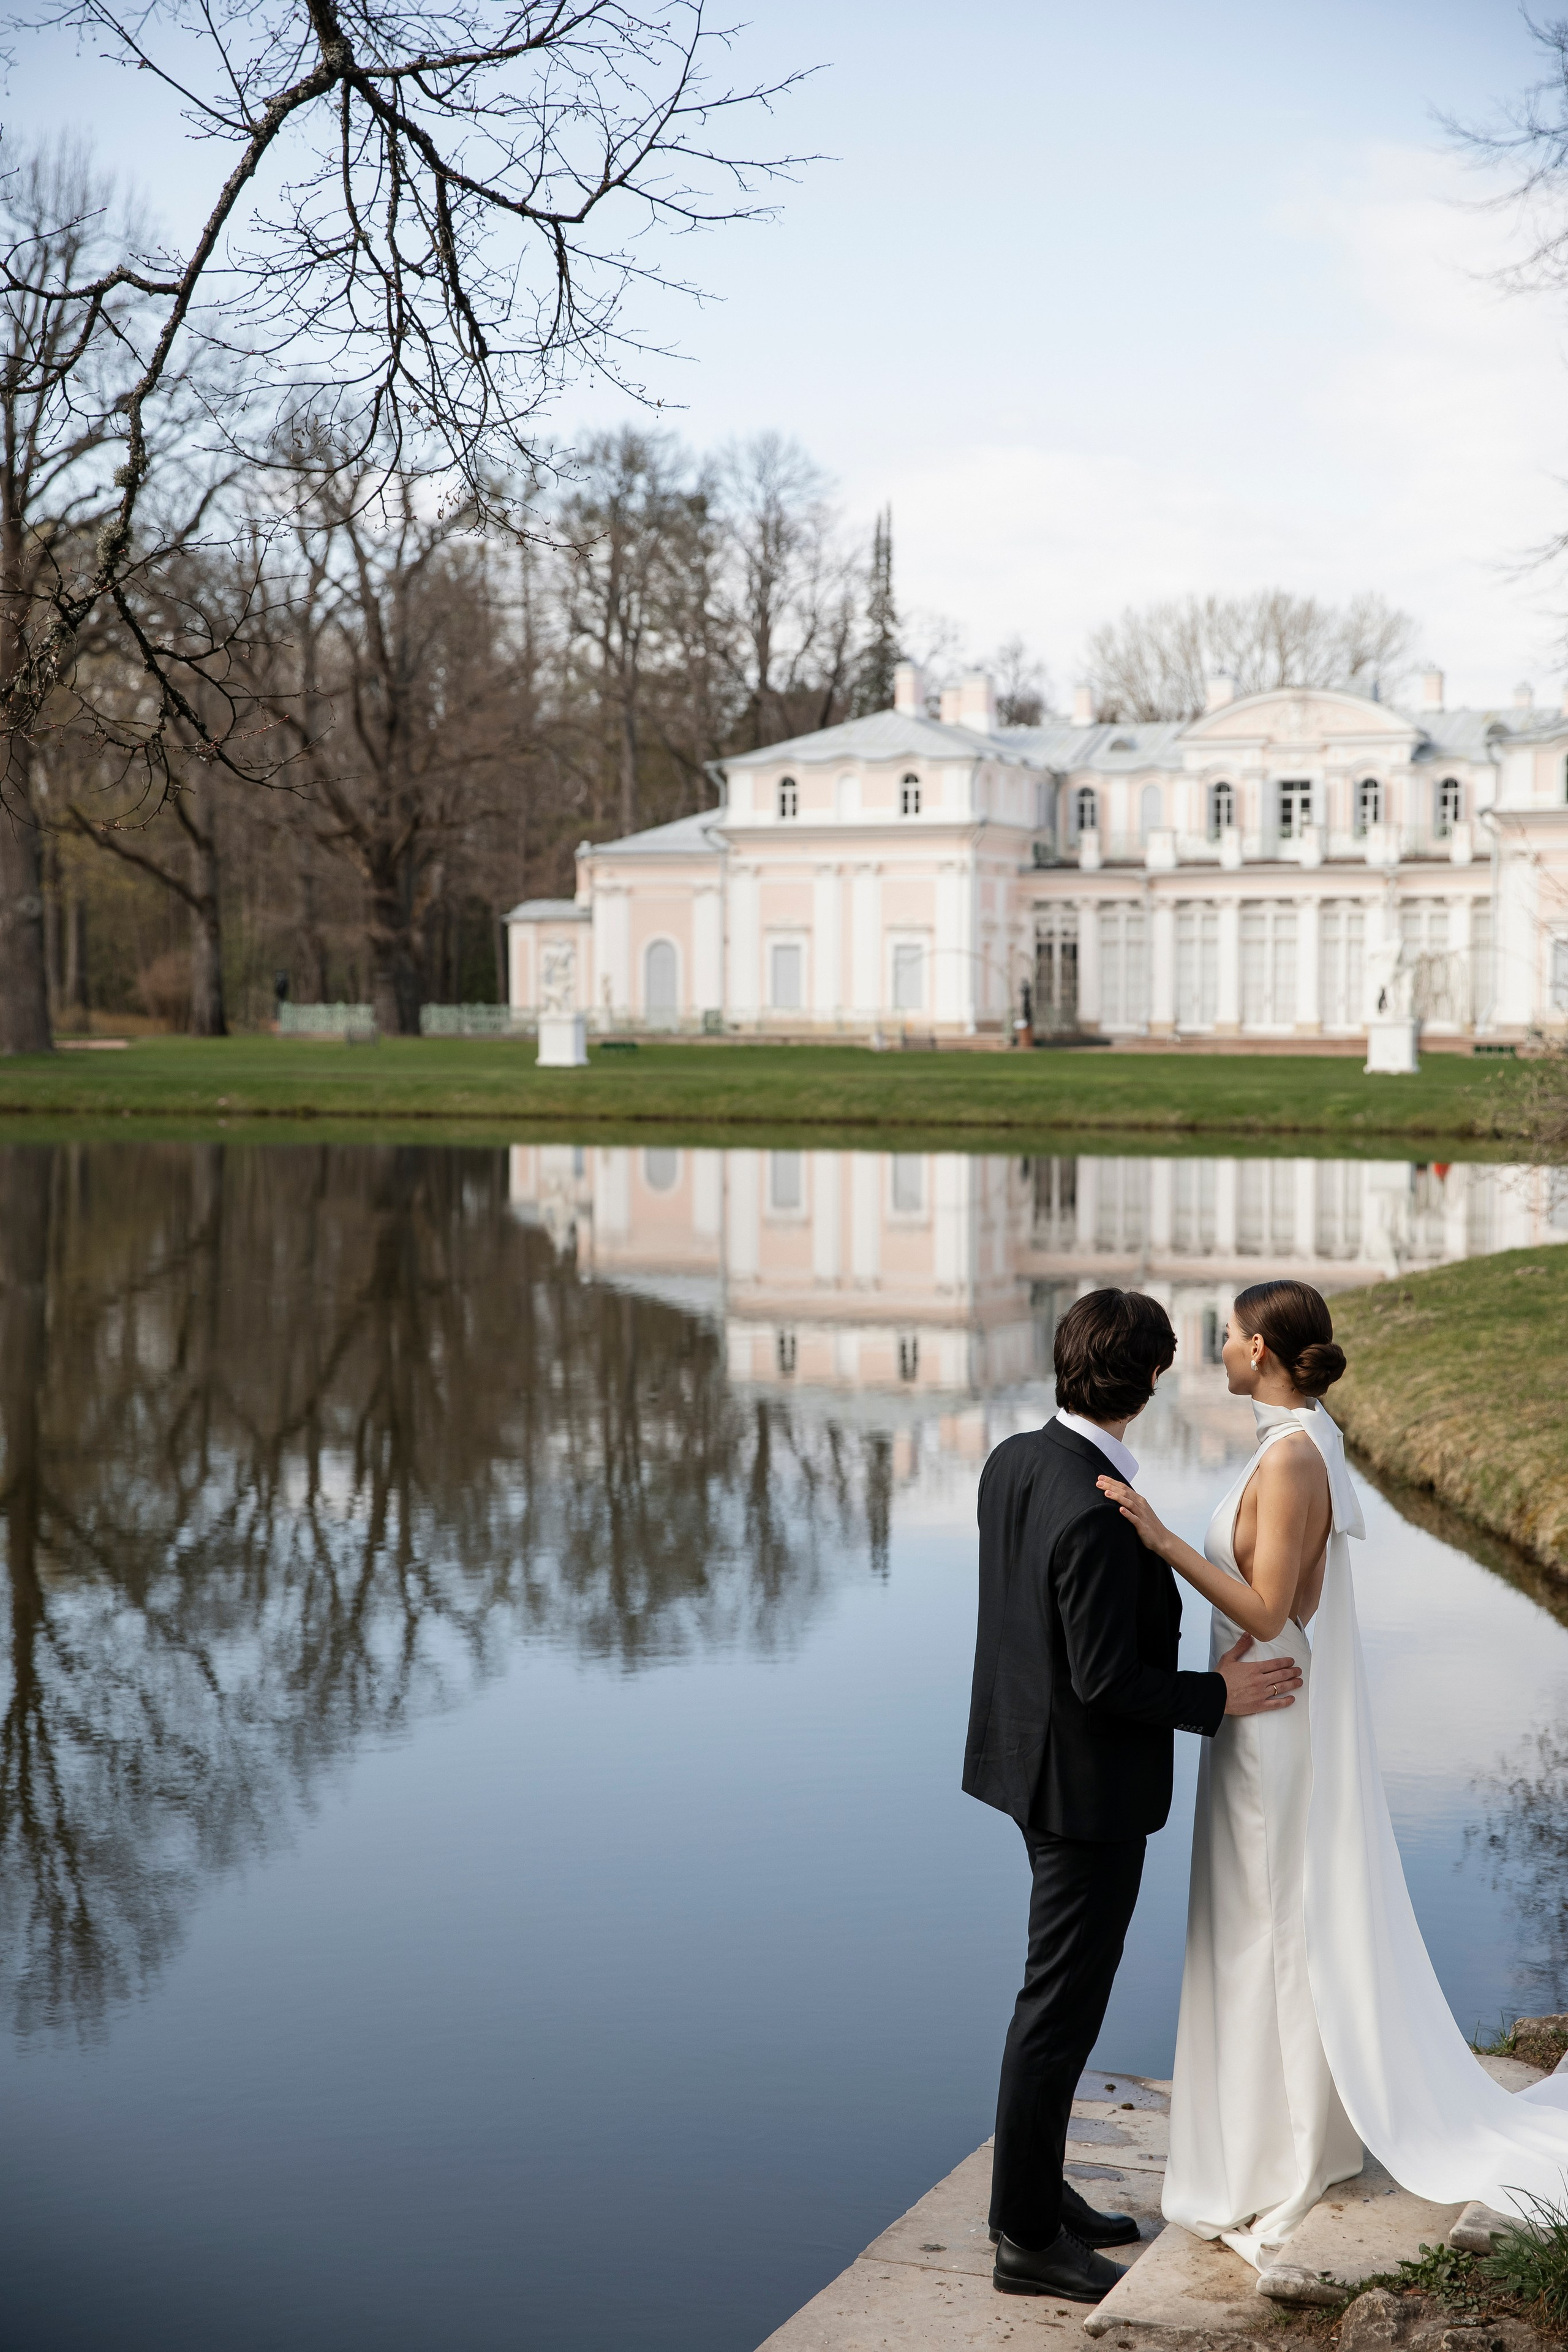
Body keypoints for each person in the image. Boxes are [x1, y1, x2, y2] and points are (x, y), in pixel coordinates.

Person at [1096, 1278, 1568, 2274]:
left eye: (1226, 1337)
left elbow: (1273, 1611)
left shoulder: (1296, 1457)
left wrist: (1162, 1536)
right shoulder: (1300, 1442)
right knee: (1255, 1928)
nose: (1217, 1350)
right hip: (1257, 1705)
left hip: (1267, 1711)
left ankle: (1280, 2158)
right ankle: (1278, 2137)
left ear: (1260, 1348)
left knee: (1265, 1933)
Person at [963, 1287, 1303, 2304]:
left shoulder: (1015, 1460)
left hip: (1026, 1766)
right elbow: (1108, 1678)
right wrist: (1221, 1694)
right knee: (1057, 2009)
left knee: (1054, 2002)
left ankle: (1036, 2189)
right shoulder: (1102, 1513)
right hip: (1085, 1793)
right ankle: (1025, 2236)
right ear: (1152, 1379)